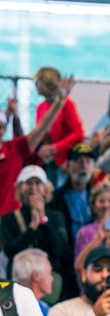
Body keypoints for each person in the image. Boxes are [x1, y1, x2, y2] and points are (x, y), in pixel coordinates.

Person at [0, 76, 76, 217]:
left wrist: (59, 102)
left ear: (3, 130)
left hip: (8, 227)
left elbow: (41, 128)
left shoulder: (14, 149)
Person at [1, 165, 73, 297]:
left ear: (46, 187)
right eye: (28, 183)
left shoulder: (57, 216)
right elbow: (10, 251)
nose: (33, 188)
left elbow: (62, 250)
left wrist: (44, 220)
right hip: (21, 284)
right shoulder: (8, 219)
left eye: (38, 182)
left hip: (50, 285)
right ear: (19, 188)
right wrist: (33, 227)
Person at [33, 66, 85, 169]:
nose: (35, 85)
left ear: (46, 84)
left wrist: (55, 148)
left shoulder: (67, 104)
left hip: (64, 161)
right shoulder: (40, 107)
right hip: (47, 160)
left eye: (37, 82)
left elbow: (78, 133)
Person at [51, 142, 98, 246]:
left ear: (94, 167)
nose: (84, 166)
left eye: (88, 161)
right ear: (68, 166)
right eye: (79, 161)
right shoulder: (56, 198)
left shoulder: (99, 196)